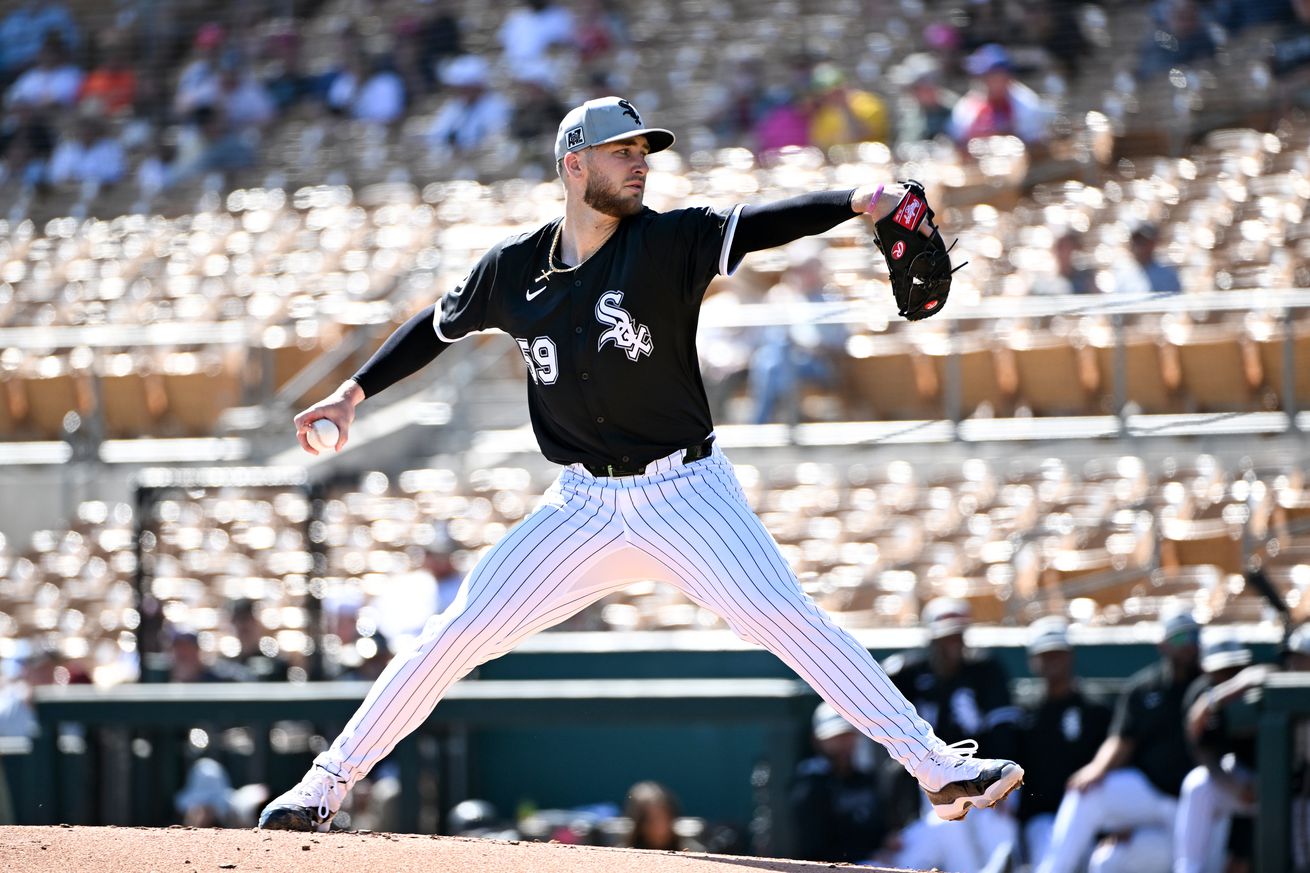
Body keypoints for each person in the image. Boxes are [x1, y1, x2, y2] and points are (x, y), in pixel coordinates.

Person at [257, 95, 1023, 832]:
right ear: (572, 165)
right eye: (620, 151)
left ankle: (936, 770)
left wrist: (859, 198)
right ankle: (323, 787)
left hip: (686, 492)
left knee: (789, 619)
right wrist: (353, 392)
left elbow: (758, 226)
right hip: (580, 507)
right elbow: (437, 322)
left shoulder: (667, 242)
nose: (639, 163)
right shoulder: (514, 268)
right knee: (450, 635)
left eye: (643, 150)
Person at [1034, 609, 1202, 873]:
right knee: (1086, 795)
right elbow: (1121, 741)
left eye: (1194, 636)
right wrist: (1097, 768)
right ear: (1163, 645)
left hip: (1196, 806)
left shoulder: (1210, 684)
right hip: (1153, 792)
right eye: (1181, 638)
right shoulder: (1144, 688)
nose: (1190, 645)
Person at [884, 597, 1022, 873]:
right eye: (945, 639)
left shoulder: (985, 671)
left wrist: (1003, 781)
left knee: (996, 822)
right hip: (930, 773)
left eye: (957, 637)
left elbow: (1004, 734)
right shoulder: (909, 674)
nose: (952, 646)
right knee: (947, 823)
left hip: (984, 768)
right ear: (931, 640)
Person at [1016, 618, 1112, 868]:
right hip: (1043, 817)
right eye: (1045, 655)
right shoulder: (1025, 712)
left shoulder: (1095, 707)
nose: (1052, 662)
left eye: (1058, 654)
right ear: (1033, 661)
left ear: (1070, 656)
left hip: (1092, 815)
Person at [1173, 636, 1260, 873]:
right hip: (1247, 780)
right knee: (1198, 784)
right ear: (1206, 669)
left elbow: (1264, 672)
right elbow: (1206, 754)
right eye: (1221, 670)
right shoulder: (1199, 694)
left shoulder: (1259, 684)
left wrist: (1217, 697)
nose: (1227, 675)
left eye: (1234, 669)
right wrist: (1234, 787)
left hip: (1290, 785)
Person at [748, 241, 847, 424]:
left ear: (817, 269)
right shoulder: (784, 296)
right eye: (795, 269)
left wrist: (810, 345)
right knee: (769, 360)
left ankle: (764, 424)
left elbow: (837, 340)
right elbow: (765, 336)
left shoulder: (831, 297)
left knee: (773, 364)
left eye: (804, 269)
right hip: (785, 359)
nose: (798, 274)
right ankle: (780, 422)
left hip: (821, 363)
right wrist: (790, 298)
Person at [790, 702, 890, 863]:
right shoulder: (811, 785)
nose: (844, 743)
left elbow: (877, 825)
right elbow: (814, 847)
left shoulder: (865, 778)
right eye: (835, 737)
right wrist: (866, 855)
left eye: (847, 736)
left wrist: (886, 841)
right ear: (818, 740)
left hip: (880, 859)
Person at [948, 44, 1051, 149]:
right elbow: (957, 142)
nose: (983, 81)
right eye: (981, 77)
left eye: (992, 77)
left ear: (1007, 77)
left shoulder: (1027, 103)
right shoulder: (967, 106)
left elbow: (1034, 145)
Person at [806, 62, 890, 151]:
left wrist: (845, 107)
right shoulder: (825, 113)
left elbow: (858, 136)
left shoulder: (868, 103)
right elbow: (819, 145)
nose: (829, 95)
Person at [892, 54, 957, 147]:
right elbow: (904, 145)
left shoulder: (955, 111)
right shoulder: (913, 111)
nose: (912, 93)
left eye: (915, 88)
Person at [624, 781, 701, 851]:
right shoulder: (623, 853)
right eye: (651, 820)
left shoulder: (692, 852)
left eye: (665, 818)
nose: (660, 826)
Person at [1111, 220, 1182, 295]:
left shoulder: (1167, 276)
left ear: (1153, 244)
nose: (1138, 247)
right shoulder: (1122, 276)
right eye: (1136, 241)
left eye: (1143, 242)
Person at [1029, 229, 1098, 296]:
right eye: (1061, 247)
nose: (1065, 252)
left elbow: (1095, 296)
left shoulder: (1085, 277)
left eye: (1068, 248)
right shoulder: (1043, 282)